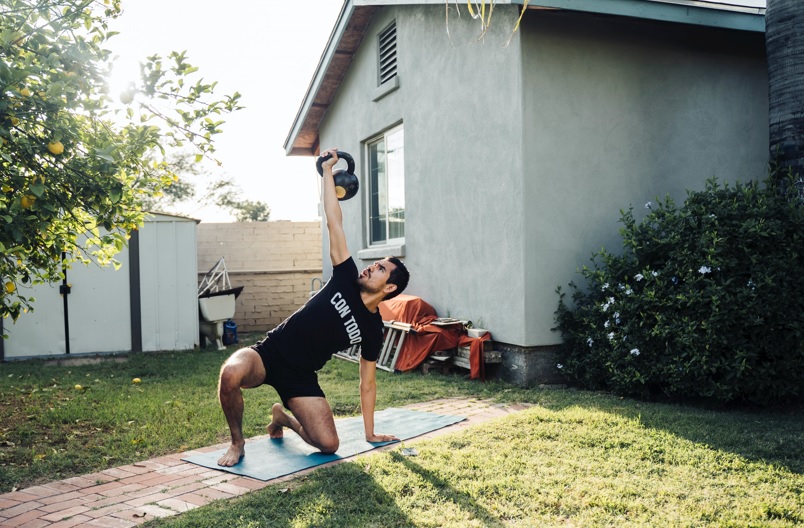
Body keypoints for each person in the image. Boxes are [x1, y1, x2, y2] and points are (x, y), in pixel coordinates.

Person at [216, 147, 410, 467]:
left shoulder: (373, 329)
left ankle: (283, 417)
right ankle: (237, 443)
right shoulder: (346, 276)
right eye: (373, 264)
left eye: (378, 269)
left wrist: (371, 433)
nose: (369, 268)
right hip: (270, 352)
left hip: (301, 377)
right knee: (230, 374)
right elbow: (334, 221)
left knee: (328, 444)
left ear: (389, 288)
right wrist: (327, 174)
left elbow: (368, 382)